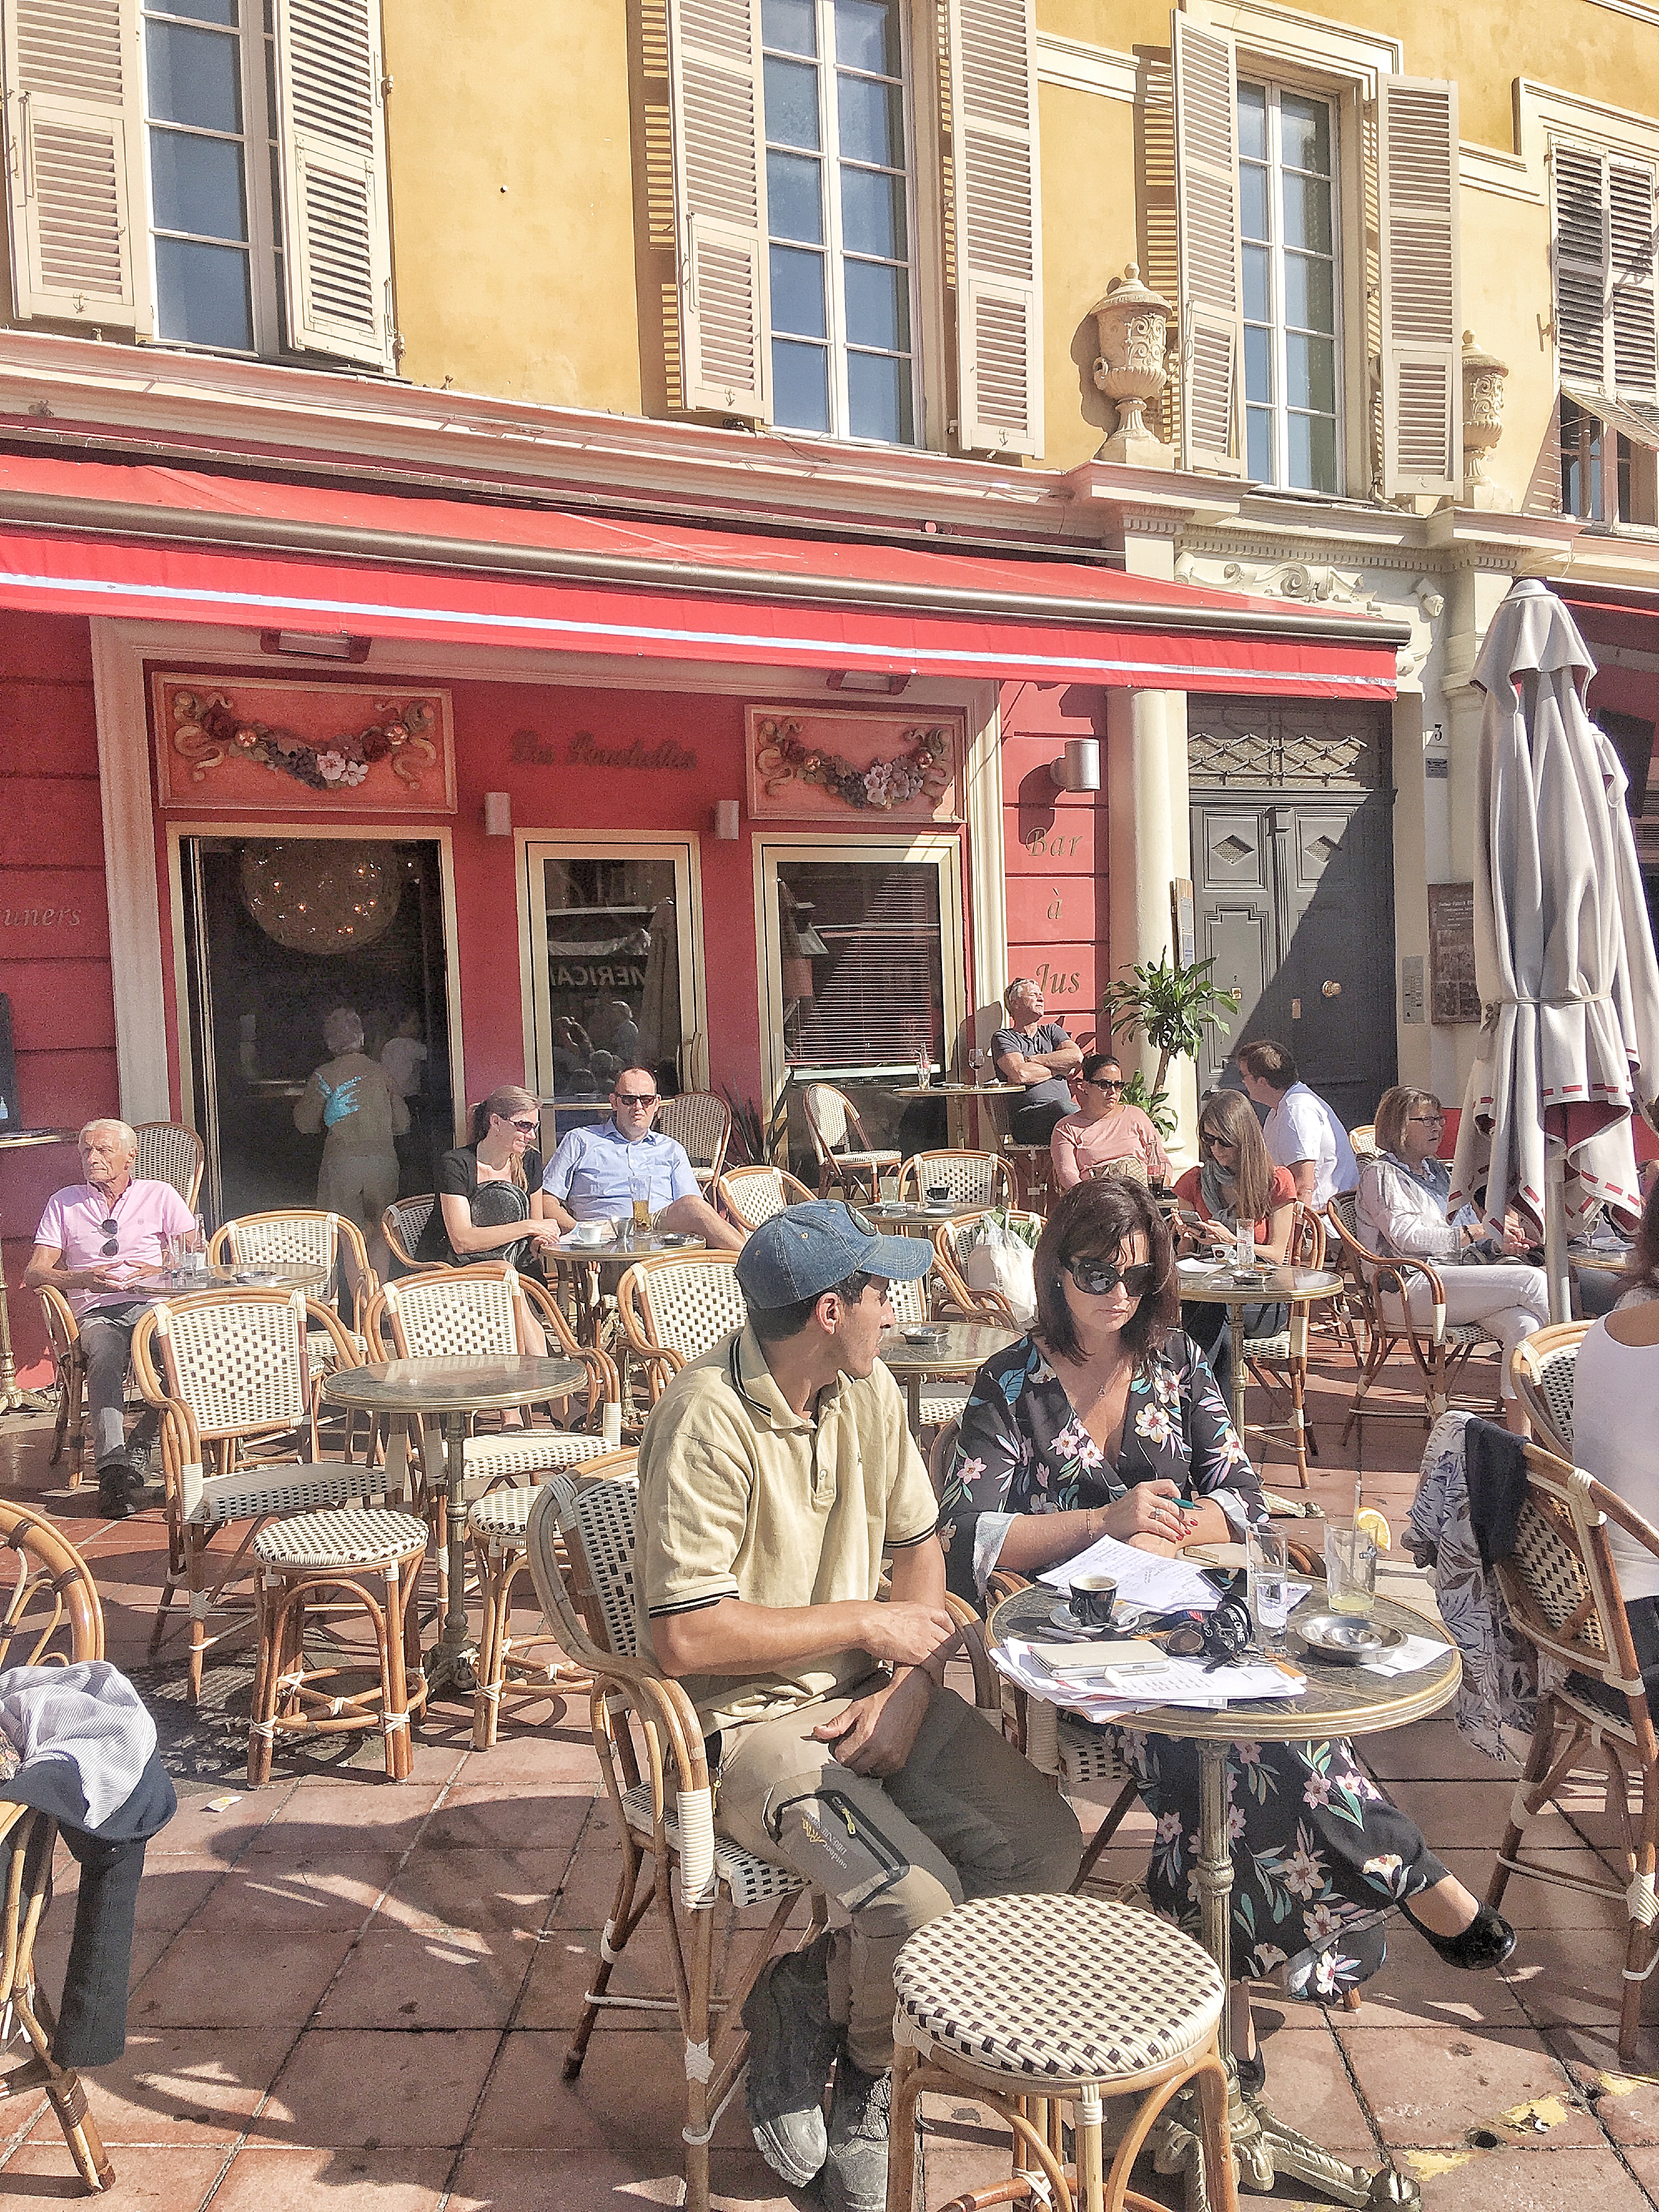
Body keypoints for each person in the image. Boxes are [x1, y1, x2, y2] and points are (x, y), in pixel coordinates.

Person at [940, 1176, 1514, 2070]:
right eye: (1094, 1272)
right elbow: (966, 1537)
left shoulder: (1173, 1365)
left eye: (1134, 1278)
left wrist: (1170, 1525)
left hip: (1195, 1616)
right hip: (1082, 1642)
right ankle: (1404, 1881)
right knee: (1236, 1743)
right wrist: (1101, 1522)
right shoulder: (1008, 1384)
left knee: (1267, 1728)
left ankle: (1225, 2005)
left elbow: (1243, 1500)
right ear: (1055, 1270)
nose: (1115, 1296)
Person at [637, 1201, 1081, 2212]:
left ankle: (817, 1991)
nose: (897, 1304)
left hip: (873, 1695)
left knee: (1042, 1846)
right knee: (912, 1901)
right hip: (748, 1727)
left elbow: (919, 1552)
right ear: (830, 1309)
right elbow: (684, 1636)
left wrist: (906, 1685)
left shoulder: (865, 1384)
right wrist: (868, 1627)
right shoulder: (704, 1416)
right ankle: (870, 2075)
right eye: (881, 1290)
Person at [25, 1120, 196, 1519]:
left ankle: (141, 1444)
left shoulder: (160, 1195)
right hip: (97, 1310)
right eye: (87, 1151)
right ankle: (114, 1471)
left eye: (103, 1151)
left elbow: (195, 1256)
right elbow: (36, 1273)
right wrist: (80, 1278)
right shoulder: (64, 1202)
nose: (93, 1159)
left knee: (183, 1353)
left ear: (131, 1157)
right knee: (103, 1352)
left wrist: (155, 1268)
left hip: (155, 1304)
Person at [1356, 1087, 1548, 1436]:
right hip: (1408, 1289)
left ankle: (1522, 1440)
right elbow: (1408, 1239)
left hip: (1449, 1282)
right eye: (1426, 1120)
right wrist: (1479, 1232)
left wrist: (1499, 1244)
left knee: (1524, 1324)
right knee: (1533, 1282)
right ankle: (1577, 1386)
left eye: (1439, 1119)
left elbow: (1460, 1236)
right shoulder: (1381, 1175)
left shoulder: (1438, 1173)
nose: (1438, 1127)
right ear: (1399, 1125)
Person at [1170, 1088, 1295, 1409]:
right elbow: (1184, 1255)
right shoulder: (1196, 1181)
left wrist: (1232, 1241)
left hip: (1262, 1299)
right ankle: (1219, 1427)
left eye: (1223, 1141)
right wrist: (1187, 1238)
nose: (1215, 1149)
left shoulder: (1275, 1182)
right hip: (1208, 1295)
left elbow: (1279, 1255)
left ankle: (1185, 1400)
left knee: (1217, 1314)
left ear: (1244, 1139)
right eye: (1209, 1140)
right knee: (1220, 1326)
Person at [541, 1066, 744, 1252]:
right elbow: (547, 1200)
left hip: (659, 1231)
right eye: (629, 1099)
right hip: (605, 1234)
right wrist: (580, 1231)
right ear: (614, 1102)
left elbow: (691, 1208)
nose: (638, 1107)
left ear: (656, 1104)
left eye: (646, 1100)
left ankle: (757, 1265)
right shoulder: (581, 1140)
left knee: (694, 1206)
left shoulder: (671, 1149)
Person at [294, 1008, 408, 1275]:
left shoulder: (324, 1076)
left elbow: (305, 1124)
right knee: (382, 1233)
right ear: (362, 1038)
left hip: (342, 1165)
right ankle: (376, 1308)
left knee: (349, 1236)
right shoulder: (382, 1073)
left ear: (329, 1043)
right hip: (383, 1165)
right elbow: (403, 1124)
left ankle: (358, 1307)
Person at [413, 1084, 562, 1274]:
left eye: (535, 1127)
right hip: (453, 1268)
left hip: (515, 1264)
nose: (532, 1136)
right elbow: (462, 1242)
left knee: (509, 1273)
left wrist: (538, 1240)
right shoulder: (456, 1164)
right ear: (496, 1122)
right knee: (504, 1272)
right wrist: (529, 1227)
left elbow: (536, 1230)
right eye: (524, 1126)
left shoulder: (530, 1160)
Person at [1237, 1039, 1358, 1206]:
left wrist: (1295, 1231)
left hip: (1320, 1222)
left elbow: (1303, 1187)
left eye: (1244, 1075)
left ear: (1262, 1081)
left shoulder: (1297, 1110)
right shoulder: (1280, 1108)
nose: (1243, 1081)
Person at [1050, 1052, 1170, 1191]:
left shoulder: (1135, 1116)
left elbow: (1160, 1159)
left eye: (1118, 1085)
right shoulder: (1067, 1128)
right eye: (1105, 1085)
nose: (1113, 1091)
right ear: (1086, 1086)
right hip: (1099, 1199)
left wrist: (1160, 1189)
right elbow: (1068, 1174)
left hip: (1143, 1194)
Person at [992, 979, 1083, 1147]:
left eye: (1041, 995)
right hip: (1029, 1120)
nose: (1041, 999)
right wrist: (1059, 1070)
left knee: (1082, 1118)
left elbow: (1076, 1057)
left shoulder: (1052, 1031)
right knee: (1071, 1114)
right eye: (1034, 995)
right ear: (1016, 1004)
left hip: (1062, 1117)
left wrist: (1033, 1060)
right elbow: (1021, 1074)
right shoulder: (1004, 1038)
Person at [380, 1009, 427, 1100]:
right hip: (409, 1098)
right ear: (401, 1025)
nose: (419, 1026)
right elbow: (433, 1054)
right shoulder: (410, 1045)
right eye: (414, 1023)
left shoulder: (388, 1046)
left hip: (391, 1097)